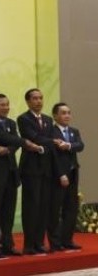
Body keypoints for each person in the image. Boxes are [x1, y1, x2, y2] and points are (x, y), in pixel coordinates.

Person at [0, 94, 41, 259]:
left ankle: (8, 244)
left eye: (7, 104)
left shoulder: (11, 123)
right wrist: (23, 141)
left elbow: (13, 143)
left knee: (8, 212)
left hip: (10, 172)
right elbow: (2, 137)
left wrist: (9, 149)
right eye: (2, 105)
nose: (6, 107)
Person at [17, 88, 55, 255]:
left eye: (41, 98)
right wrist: (52, 141)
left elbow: (46, 142)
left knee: (44, 206)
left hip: (46, 168)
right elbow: (33, 137)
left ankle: (39, 242)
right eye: (35, 98)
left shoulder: (47, 119)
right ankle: (29, 244)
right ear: (28, 101)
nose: (38, 101)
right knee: (31, 206)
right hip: (31, 169)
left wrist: (49, 143)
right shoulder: (23, 118)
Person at [48, 103, 84, 251]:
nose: (67, 116)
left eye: (68, 113)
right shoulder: (51, 131)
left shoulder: (74, 131)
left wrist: (68, 145)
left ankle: (67, 239)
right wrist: (61, 174)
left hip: (73, 172)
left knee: (71, 208)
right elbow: (53, 156)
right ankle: (55, 243)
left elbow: (80, 145)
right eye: (63, 113)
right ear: (55, 116)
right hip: (58, 174)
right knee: (55, 209)